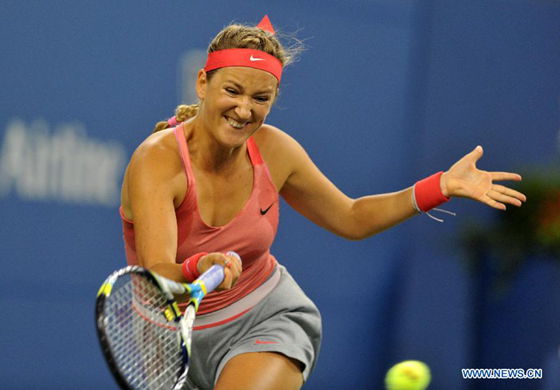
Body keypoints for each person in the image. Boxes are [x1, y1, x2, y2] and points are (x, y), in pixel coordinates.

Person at [119, 15, 526, 390]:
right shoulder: (157, 160)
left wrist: (441, 186)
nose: (244, 109)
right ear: (203, 84)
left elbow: (351, 218)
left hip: (262, 318)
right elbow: (157, 278)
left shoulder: (276, 150)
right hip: (169, 339)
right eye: (232, 91)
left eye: (261, 98)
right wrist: (199, 265)